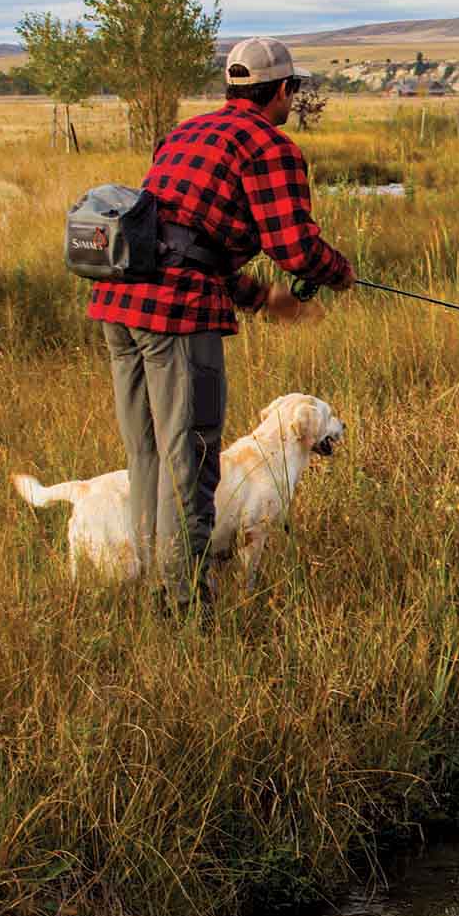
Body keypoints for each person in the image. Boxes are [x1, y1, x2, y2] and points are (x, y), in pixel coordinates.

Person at [88, 37, 355, 614]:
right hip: (175, 317)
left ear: (234, 87)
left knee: (148, 454)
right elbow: (297, 248)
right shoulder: (271, 146)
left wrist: (261, 298)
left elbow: (184, 237)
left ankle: (152, 582)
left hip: (118, 306)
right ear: (283, 90)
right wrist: (340, 273)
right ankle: (182, 606)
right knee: (192, 460)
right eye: (295, 90)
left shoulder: (185, 134)